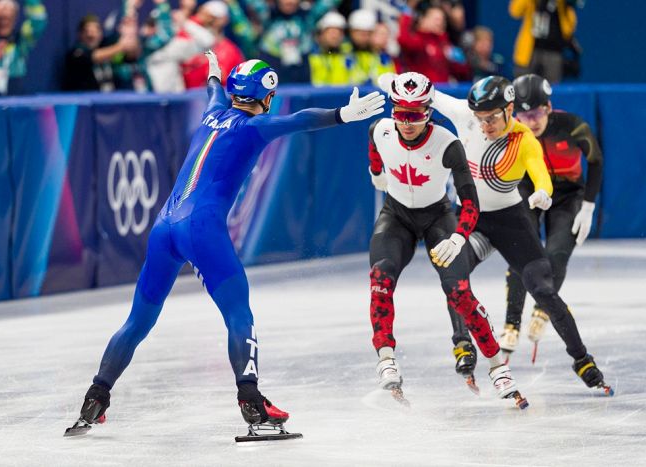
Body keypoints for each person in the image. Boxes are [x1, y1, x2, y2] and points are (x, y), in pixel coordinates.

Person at [67, 53, 386, 437]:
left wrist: (215, 73)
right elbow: (298, 121)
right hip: (202, 229)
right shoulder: (254, 127)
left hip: (164, 227)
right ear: (265, 96)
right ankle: (251, 402)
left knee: (138, 321)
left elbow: (213, 89)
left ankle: (96, 396)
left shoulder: (213, 111)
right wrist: (342, 116)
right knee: (239, 314)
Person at [378, 73, 610, 394]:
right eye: (479, 119)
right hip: (472, 220)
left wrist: (543, 191)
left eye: (491, 118)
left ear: (509, 109)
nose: (484, 126)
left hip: (511, 221)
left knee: (542, 289)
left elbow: (539, 172)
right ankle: (462, 343)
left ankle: (582, 358)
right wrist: (391, 79)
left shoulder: (523, 138)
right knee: (454, 277)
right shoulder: (465, 116)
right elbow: (425, 95)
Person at [366, 72, 525, 407]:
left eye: (416, 115)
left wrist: (458, 236)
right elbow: (376, 156)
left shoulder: (447, 143)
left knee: (458, 290)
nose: (407, 123)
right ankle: (386, 358)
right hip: (397, 216)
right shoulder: (379, 130)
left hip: (438, 216)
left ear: (429, 111)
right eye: (401, 114)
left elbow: (470, 202)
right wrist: (377, 171)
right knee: (381, 277)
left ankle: (498, 365)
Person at [499, 73, 603, 357]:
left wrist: (589, 205)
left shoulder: (572, 126)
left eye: (535, 114)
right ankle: (511, 323)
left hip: (568, 196)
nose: (530, 122)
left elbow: (596, 160)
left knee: (556, 253)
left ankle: (542, 311)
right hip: (528, 190)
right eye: (523, 115)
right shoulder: (512, 131)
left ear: (547, 107)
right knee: (522, 253)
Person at [396, 4, 470, 83]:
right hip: (422, 92)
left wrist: (459, 62)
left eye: (442, 19)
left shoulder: (444, 43)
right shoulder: (418, 40)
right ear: (423, 20)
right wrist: (407, 13)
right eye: (436, 19)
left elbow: (462, 72)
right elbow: (403, 40)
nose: (440, 23)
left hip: (443, 91)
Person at [509, 0, 577, 82]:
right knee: (523, 89)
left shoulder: (561, 3)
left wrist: (566, 6)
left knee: (551, 90)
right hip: (529, 52)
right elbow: (515, 11)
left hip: (553, 52)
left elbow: (568, 30)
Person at [309, 11, 355, 86]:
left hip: (344, 95)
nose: (335, 36)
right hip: (317, 96)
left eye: (339, 33)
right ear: (321, 34)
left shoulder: (350, 54)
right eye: (331, 32)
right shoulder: (311, 56)